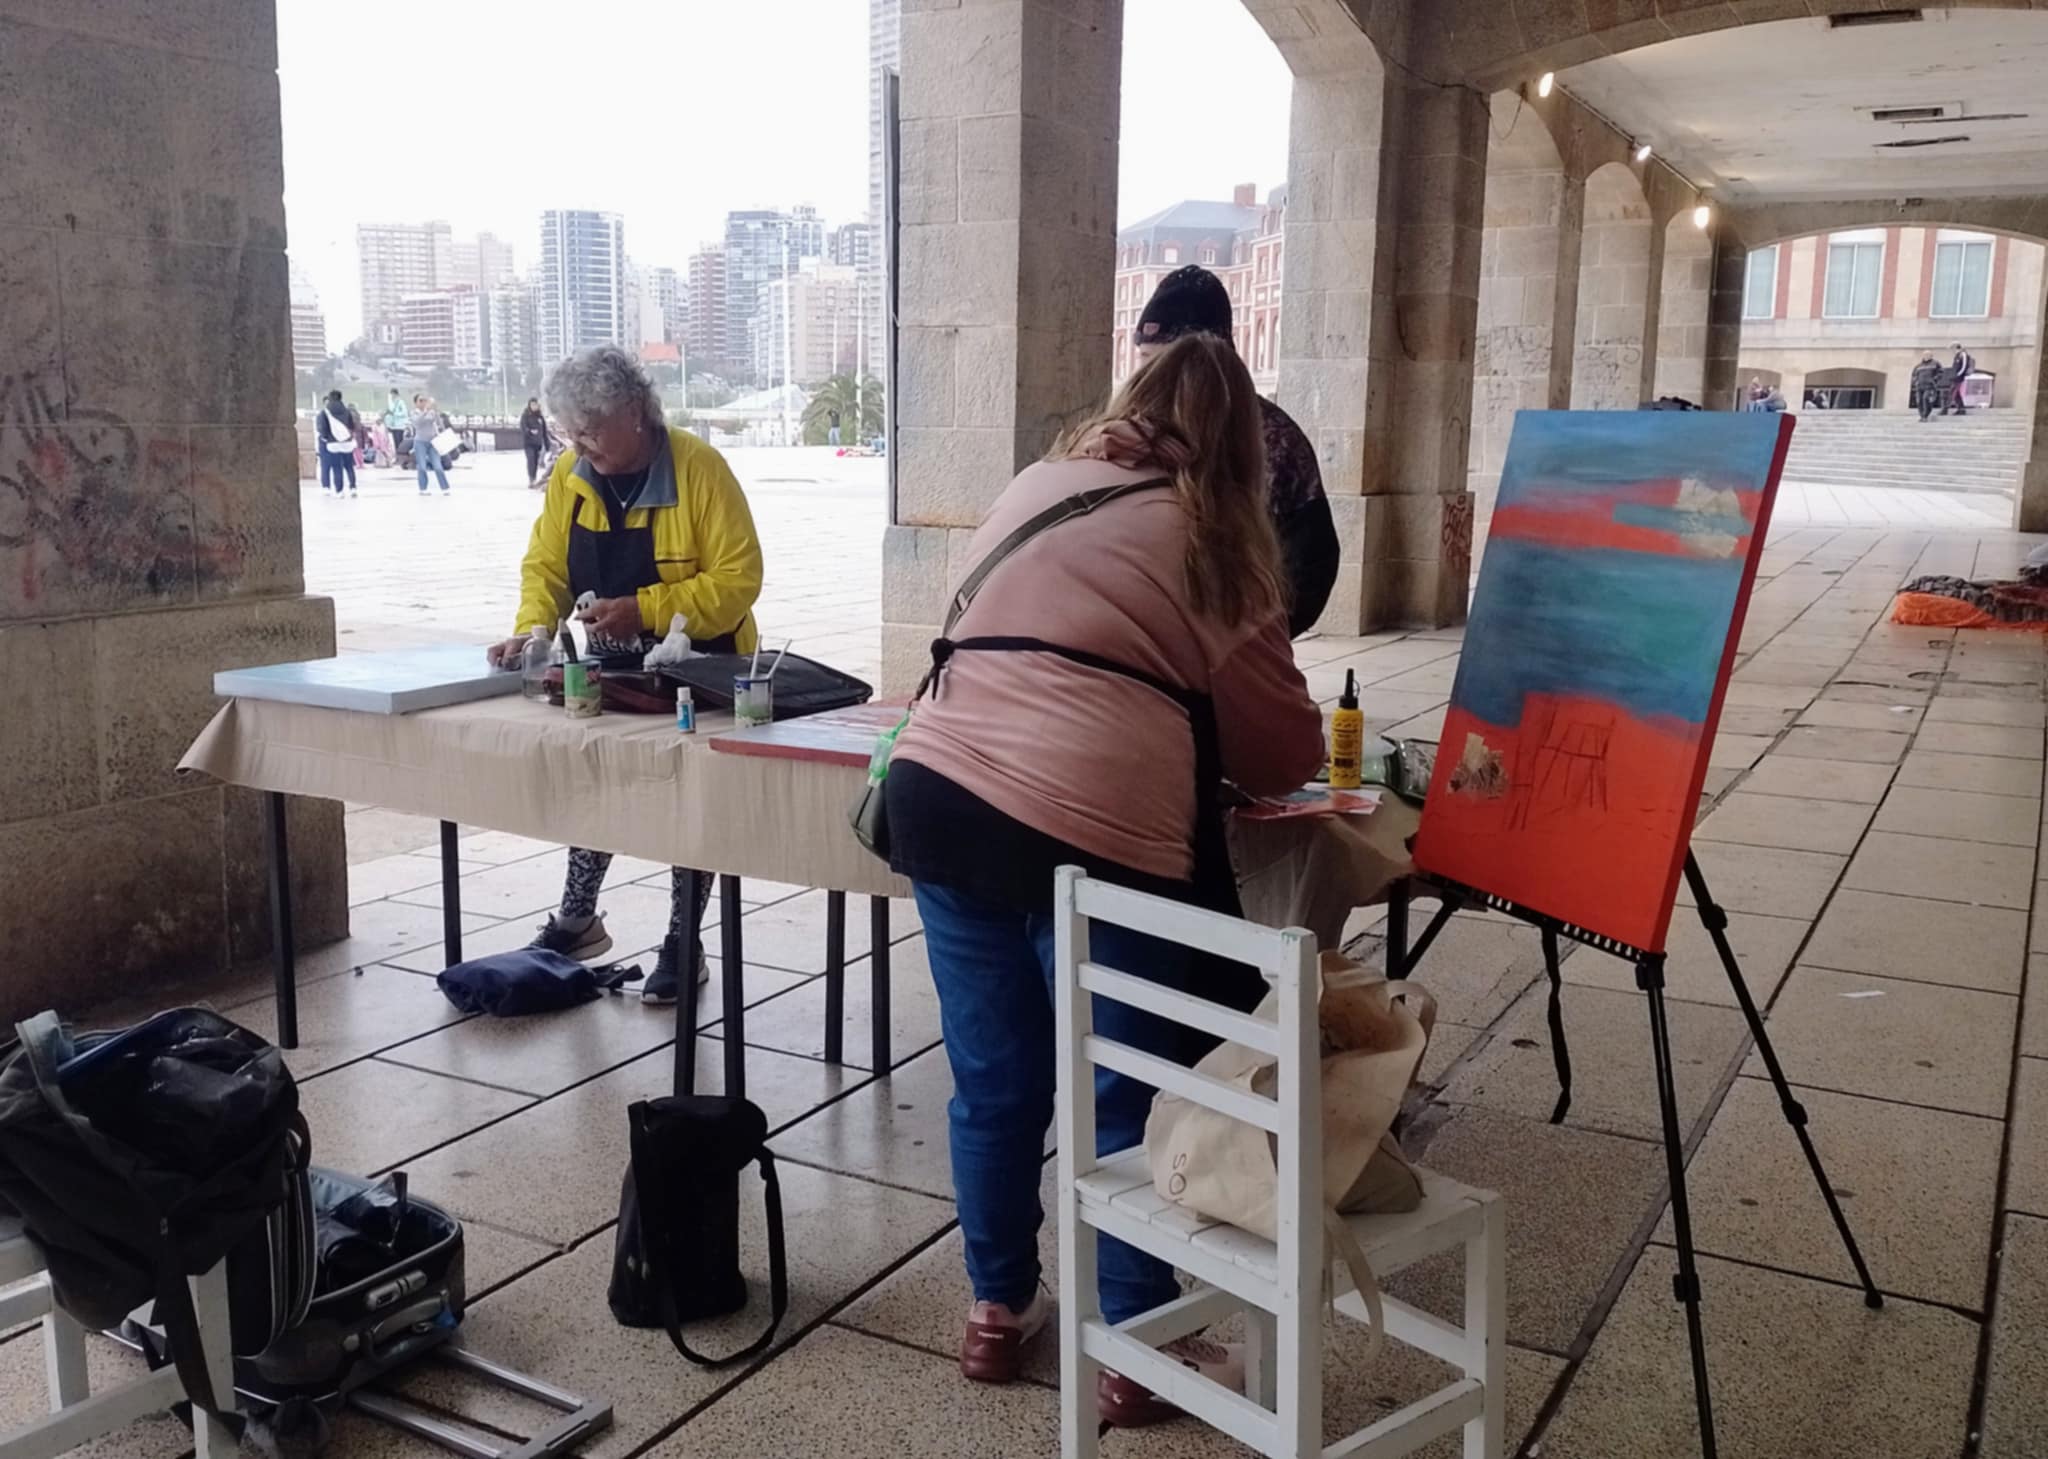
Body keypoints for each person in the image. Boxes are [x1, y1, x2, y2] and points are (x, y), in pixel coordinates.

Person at [884, 333, 1323, 1425]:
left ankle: (996, 1310)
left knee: (994, 1080)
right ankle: (1135, 1346)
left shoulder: (1039, 484)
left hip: (936, 799)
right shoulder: (1217, 535)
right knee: (1120, 1085)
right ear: (1241, 445)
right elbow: (1282, 754)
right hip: (1090, 832)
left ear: (1128, 400)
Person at [486, 346, 765, 1003]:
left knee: (690, 799)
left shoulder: (699, 469)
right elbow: (547, 567)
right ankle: (577, 920)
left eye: (592, 428)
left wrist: (645, 608)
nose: (581, 444)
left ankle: (682, 939)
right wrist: (532, 628)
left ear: (637, 412)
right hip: (608, 672)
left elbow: (738, 578)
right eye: (570, 431)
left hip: (705, 670)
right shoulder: (571, 476)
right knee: (596, 780)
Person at [1131, 266, 1337, 637]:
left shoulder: (1272, 438)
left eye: (1164, 362)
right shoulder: (1129, 434)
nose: (1149, 381)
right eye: (1145, 360)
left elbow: (1312, 563)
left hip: (1236, 636)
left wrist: (1255, 633)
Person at [316, 390, 359, 497]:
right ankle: (353, 488)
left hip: (333, 444)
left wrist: (327, 438)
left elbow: (322, 429)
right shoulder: (347, 411)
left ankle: (339, 491)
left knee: (337, 467)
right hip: (346, 443)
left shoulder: (325, 412)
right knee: (349, 466)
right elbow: (352, 426)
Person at [410, 393, 452, 495]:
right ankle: (423, 488)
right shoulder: (414, 413)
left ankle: (445, 487)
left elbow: (439, 423)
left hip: (433, 442)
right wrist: (424, 411)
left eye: (424, 400)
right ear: (415, 403)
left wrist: (435, 409)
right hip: (420, 442)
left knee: (438, 466)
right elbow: (417, 423)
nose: (423, 402)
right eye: (420, 401)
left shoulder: (431, 412)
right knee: (422, 466)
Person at [519, 397, 553, 488]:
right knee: (530, 459)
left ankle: (534, 477)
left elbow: (544, 432)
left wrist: (547, 444)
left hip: (538, 443)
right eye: (532, 405)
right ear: (529, 405)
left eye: (535, 405)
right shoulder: (525, 416)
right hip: (528, 443)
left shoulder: (540, 417)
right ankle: (531, 479)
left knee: (535, 461)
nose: (534, 406)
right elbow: (523, 427)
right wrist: (529, 431)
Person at [1947, 341, 1977, 415]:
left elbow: (1963, 366)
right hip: (1955, 377)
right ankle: (1961, 409)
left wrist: (1958, 375)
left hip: (1958, 378)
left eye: (1952, 348)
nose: (1952, 350)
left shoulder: (1962, 354)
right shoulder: (1957, 355)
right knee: (1956, 394)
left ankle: (1945, 409)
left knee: (1952, 392)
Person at [1912, 353, 1944, 421]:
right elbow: (1914, 375)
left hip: (1930, 386)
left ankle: (1925, 416)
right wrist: (1915, 381)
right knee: (1919, 401)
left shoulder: (1936, 363)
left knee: (1925, 399)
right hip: (1919, 386)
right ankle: (1922, 416)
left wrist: (1934, 379)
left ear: (1931, 356)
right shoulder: (1918, 365)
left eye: (1928, 355)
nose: (1926, 356)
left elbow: (1941, 372)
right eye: (1925, 355)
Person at [383, 388, 412, 464]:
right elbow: (390, 409)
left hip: (400, 426)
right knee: (396, 443)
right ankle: (397, 458)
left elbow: (404, 413)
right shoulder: (393, 402)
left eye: (392, 394)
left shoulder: (401, 402)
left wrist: (395, 414)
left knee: (399, 442)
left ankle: (401, 458)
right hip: (394, 426)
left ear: (395, 394)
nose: (391, 396)